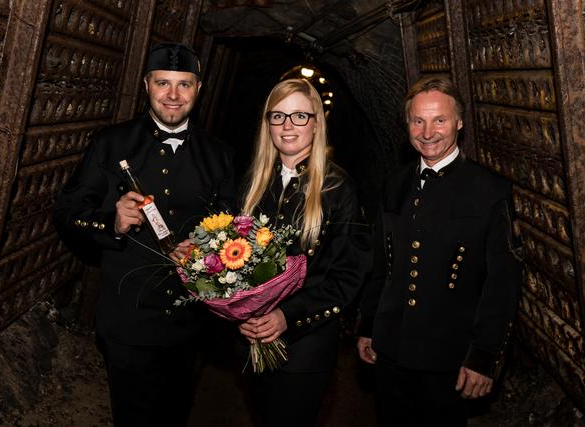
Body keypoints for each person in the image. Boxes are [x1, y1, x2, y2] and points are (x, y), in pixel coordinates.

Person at [53, 43, 235, 426]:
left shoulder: (219, 155)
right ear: (146, 85)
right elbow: (68, 213)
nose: (173, 95)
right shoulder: (110, 143)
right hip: (127, 317)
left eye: (184, 85)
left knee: (173, 414)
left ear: (198, 89)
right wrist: (111, 221)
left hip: (190, 320)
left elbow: (231, 224)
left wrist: (205, 249)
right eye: (163, 83)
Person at [357, 76, 521, 426]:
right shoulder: (395, 184)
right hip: (390, 351)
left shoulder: (488, 190)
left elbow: (502, 282)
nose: (427, 132)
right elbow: (382, 265)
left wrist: (483, 357)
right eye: (418, 121)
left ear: (459, 123)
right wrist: (369, 325)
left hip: (449, 358)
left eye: (439, 120)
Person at [237, 78, 371, 427]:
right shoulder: (253, 182)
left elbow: (347, 275)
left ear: (316, 122)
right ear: (267, 124)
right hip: (251, 340)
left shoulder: (338, 188)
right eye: (278, 116)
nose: (287, 126)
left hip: (306, 347)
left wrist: (287, 316)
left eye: (299, 116)